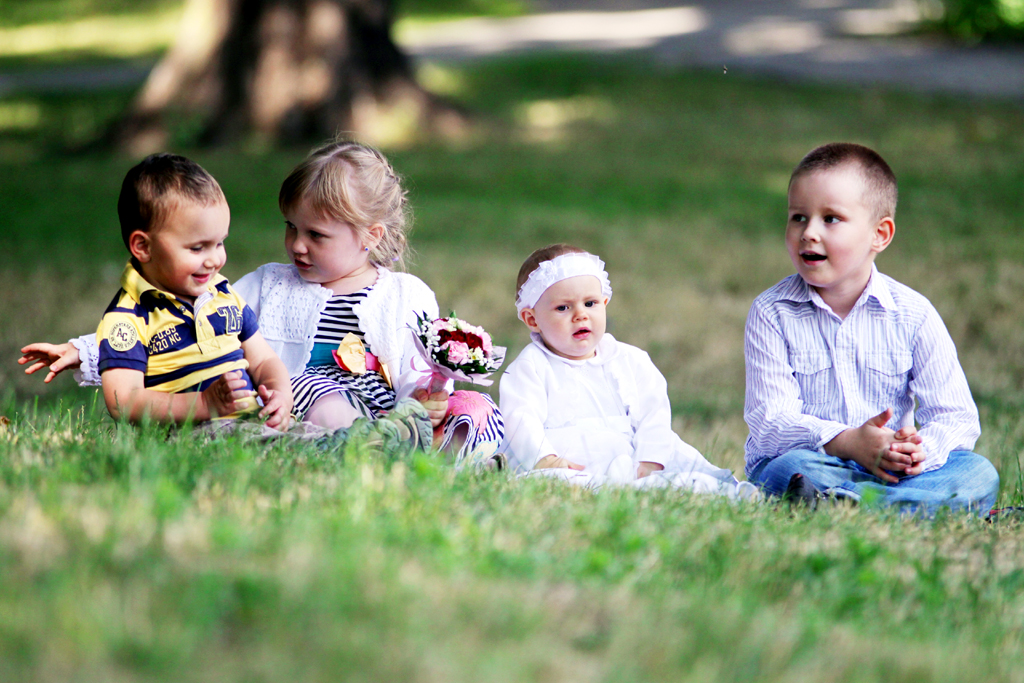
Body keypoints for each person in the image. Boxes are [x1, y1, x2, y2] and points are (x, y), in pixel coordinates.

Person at [20, 141, 501, 464]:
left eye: (316, 234)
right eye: (291, 227)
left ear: (369, 237)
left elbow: (424, 360)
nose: (297, 245)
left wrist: (428, 397)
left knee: (472, 407)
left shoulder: (405, 294)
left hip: (393, 411)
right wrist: (83, 351)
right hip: (306, 407)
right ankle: (365, 458)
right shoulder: (270, 285)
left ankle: (443, 459)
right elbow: (183, 317)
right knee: (325, 400)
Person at [744, 142, 999, 515]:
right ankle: (909, 509)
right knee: (783, 471)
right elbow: (771, 422)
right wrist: (847, 442)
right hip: (818, 464)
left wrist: (915, 451)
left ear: (880, 234)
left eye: (830, 219)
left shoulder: (913, 315)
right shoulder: (772, 312)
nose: (809, 232)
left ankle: (845, 506)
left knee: (979, 474)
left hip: (893, 471)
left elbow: (956, 417)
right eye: (798, 216)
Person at [499, 244, 757, 498]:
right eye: (563, 308)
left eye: (590, 303)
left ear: (605, 302)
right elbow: (521, 420)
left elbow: (653, 414)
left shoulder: (630, 360)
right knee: (553, 482)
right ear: (532, 319)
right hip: (569, 461)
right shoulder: (530, 367)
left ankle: (726, 493)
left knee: (681, 470)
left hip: (633, 456)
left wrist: (650, 458)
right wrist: (545, 459)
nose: (581, 315)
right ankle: (602, 489)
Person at [87, 153, 293, 427]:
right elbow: (123, 400)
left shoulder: (222, 293)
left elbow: (263, 358)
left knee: (326, 440)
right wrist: (204, 404)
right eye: (197, 248)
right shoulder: (128, 317)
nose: (214, 260)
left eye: (219, 243)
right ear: (143, 247)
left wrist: (280, 393)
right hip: (191, 431)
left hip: (252, 421)